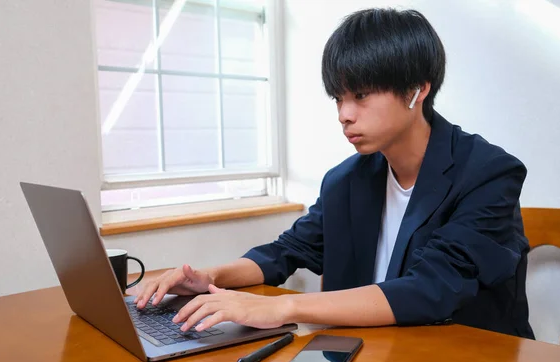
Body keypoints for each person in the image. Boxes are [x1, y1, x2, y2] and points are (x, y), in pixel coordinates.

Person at [134, 8, 534, 339]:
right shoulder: (347, 180)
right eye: (338, 98)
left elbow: (432, 289)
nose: (344, 114)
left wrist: (282, 306)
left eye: (360, 95)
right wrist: (211, 277)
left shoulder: (488, 174)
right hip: (370, 358)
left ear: (417, 90)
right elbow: (286, 252)